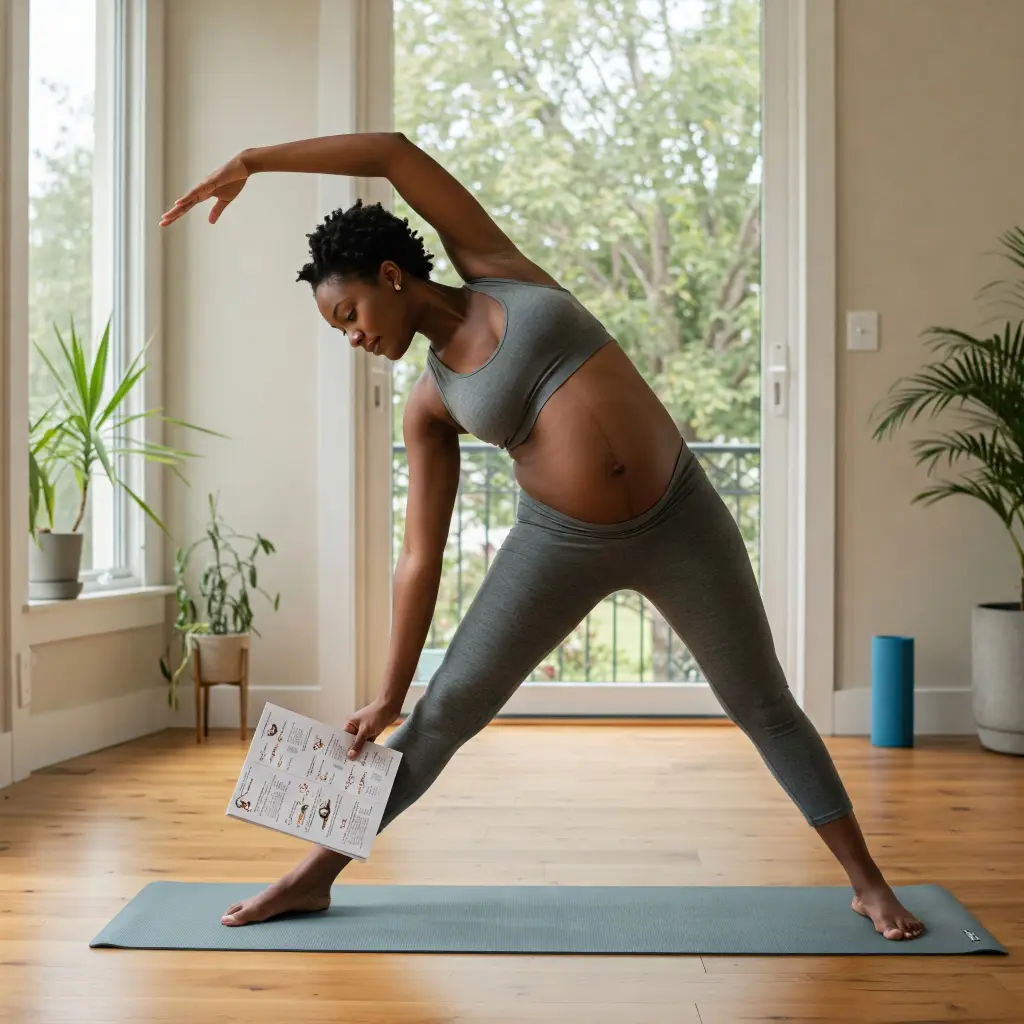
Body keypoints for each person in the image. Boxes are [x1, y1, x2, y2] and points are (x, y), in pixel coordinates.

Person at [160, 131, 924, 941]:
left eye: (349, 314)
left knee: (763, 702)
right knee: (443, 713)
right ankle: (311, 876)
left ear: (390, 276)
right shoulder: (430, 405)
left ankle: (867, 883)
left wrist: (255, 160)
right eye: (337, 330)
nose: (352, 336)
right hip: (559, 544)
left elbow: (393, 153)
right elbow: (420, 556)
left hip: (682, 518)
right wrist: (389, 691)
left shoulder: (502, 273)